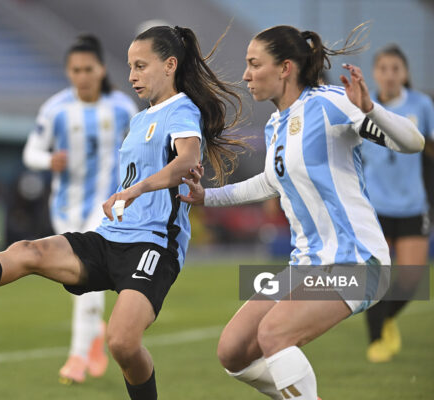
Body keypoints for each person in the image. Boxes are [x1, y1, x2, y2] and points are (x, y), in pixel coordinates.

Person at [0, 25, 246, 400]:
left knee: (122, 344)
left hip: (153, 247)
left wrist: (137, 189)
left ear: (170, 64)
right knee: (29, 251)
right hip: (110, 237)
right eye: (129, 66)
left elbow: (187, 158)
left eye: (141, 66)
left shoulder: (182, 109)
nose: (132, 75)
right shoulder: (140, 119)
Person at [179, 25, 424, 399]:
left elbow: (413, 142)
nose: (245, 74)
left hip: (357, 263)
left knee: (274, 334)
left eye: (253, 64)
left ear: (285, 68)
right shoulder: (276, 124)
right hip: (305, 265)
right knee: (233, 351)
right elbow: (267, 183)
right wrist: (206, 197)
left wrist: (370, 108)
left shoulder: (331, 102)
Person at [22, 34, 138, 384]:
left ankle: (76, 358)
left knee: (87, 276)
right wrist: (48, 160)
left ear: (101, 69)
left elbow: (136, 152)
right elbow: (31, 152)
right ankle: (94, 336)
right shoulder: (55, 109)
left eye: (89, 69)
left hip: (106, 205)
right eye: (76, 70)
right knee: (75, 277)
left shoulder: (121, 108)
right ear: (68, 72)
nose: (82, 75)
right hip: (64, 207)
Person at [360, 44, 434, 363]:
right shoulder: (361, 107)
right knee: (376, 278)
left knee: (411, 279)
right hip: (373, 207)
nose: (389, 75)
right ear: (375, 73)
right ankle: (376, 339)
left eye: (395, 69)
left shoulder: (421, 105)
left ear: (404, 73)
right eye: (383, 69)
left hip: (413, 205)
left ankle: (387, 318)